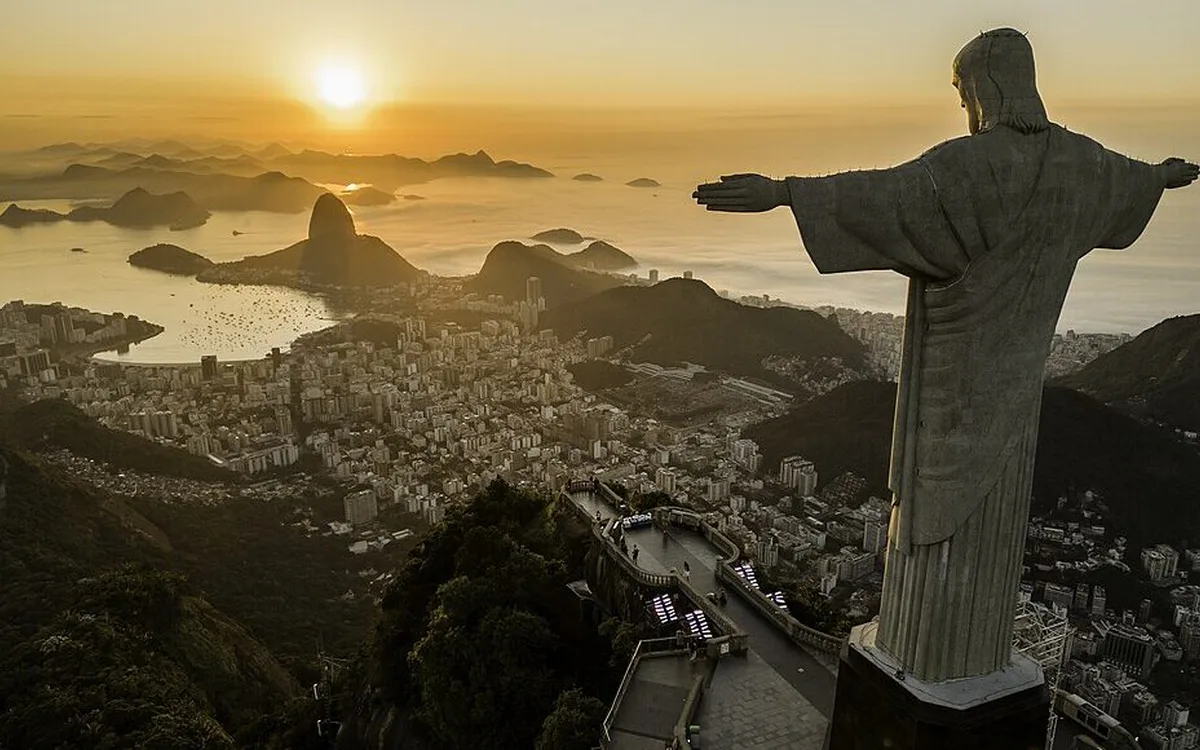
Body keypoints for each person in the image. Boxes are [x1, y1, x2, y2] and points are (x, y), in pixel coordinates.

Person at [693, 27, 1198, 682]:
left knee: (932, 519)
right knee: (990, 518)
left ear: (987, 86)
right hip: (1017, 397)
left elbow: (881, 194)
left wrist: (785, 191)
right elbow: (1128, 179)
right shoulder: (1083, 164)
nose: (964, 108)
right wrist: (1164, 175)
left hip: (950, 388)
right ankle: (966, 659)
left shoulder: (967, 167)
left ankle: (925, 659)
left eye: (964, 92)